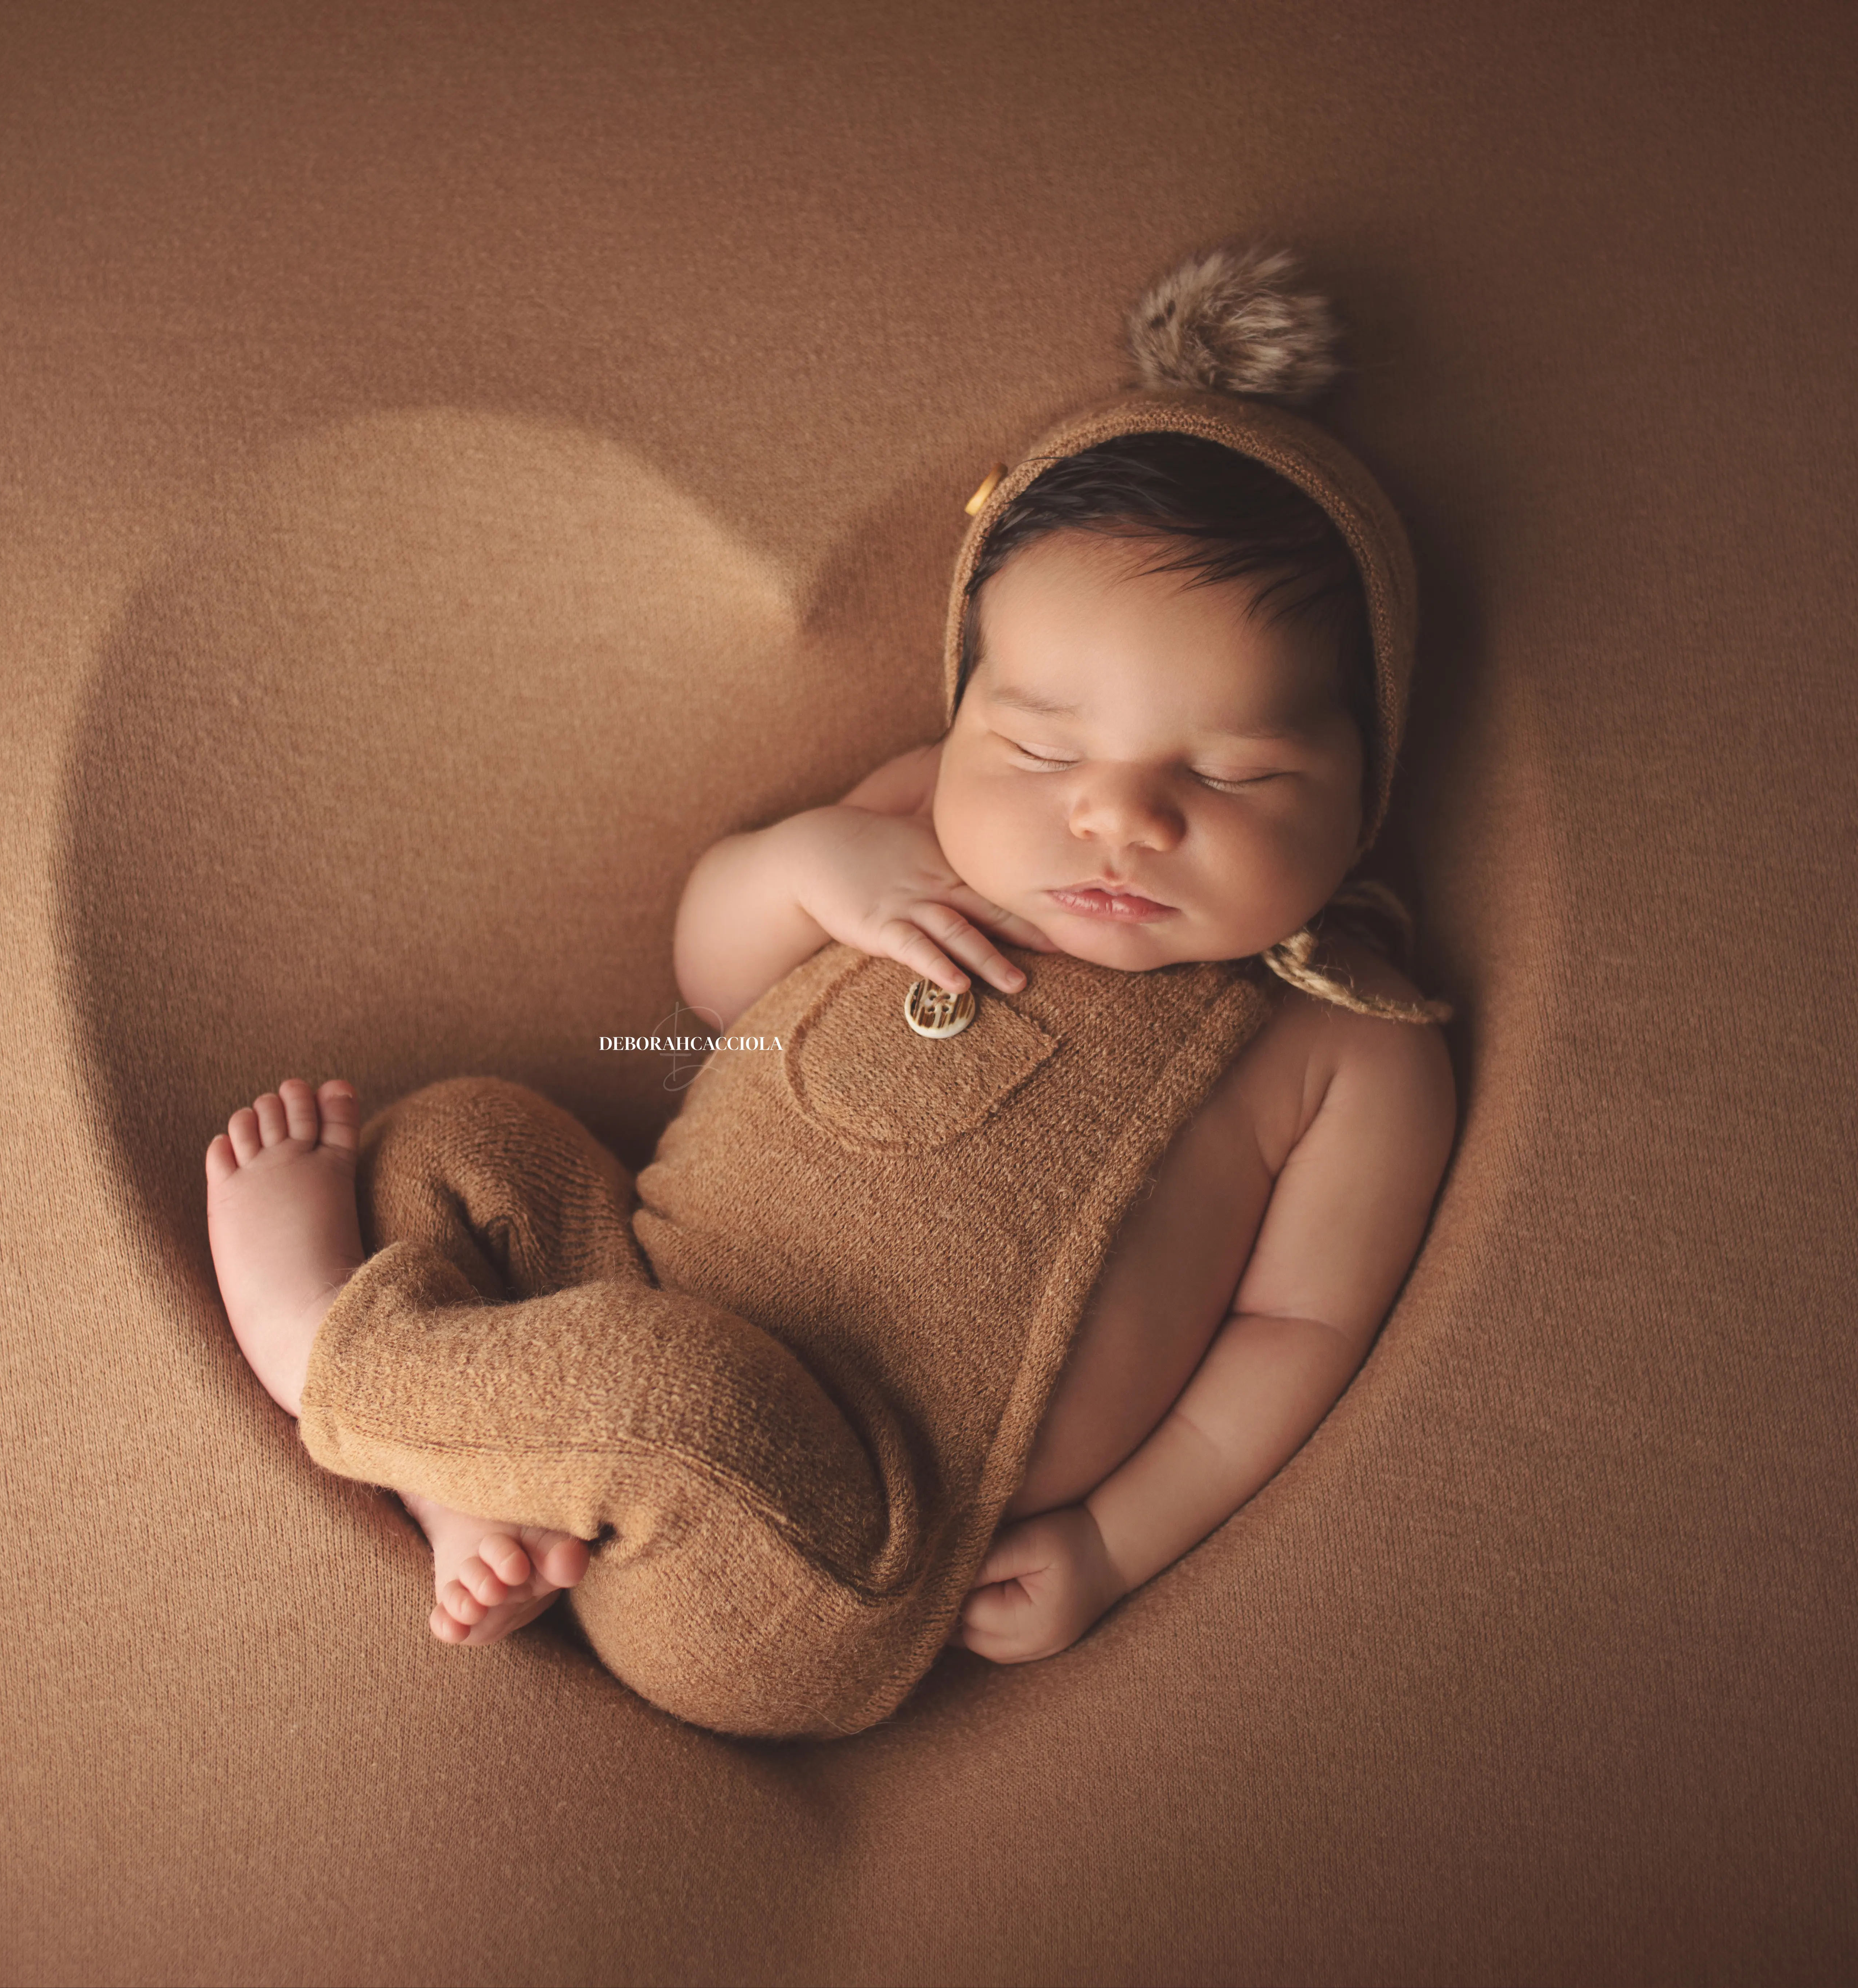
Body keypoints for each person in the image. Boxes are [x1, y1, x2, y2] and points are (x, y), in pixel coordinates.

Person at [203, 244, 1458, 1739]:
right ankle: (466, 1492)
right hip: (638, 1284)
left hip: (827, 1545)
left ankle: (321, 1356)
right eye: (1044, 747)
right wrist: (806, 867)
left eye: (1233, 770)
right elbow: (715, 980)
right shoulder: (919, 816)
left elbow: (1297, 1332)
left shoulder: (1344, 1046)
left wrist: (1120, 1543)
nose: (1118, 820)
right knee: (464, 1141)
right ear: (964, 704)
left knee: (663, 1387)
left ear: (1365, 784)